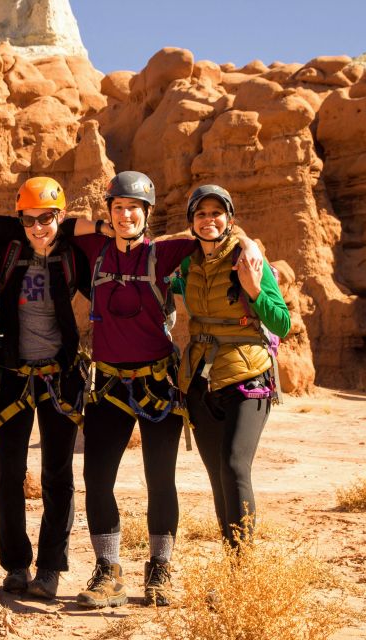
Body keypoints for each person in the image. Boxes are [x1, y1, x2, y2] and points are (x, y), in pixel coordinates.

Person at [69, 171, 263, 609]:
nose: (126, 215)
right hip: (108, 383)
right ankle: (108, 570)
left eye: (134, 208)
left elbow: (217, 229)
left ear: (148, 214)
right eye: (118, 208)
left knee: (161, 479)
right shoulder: (95, 248)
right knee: (97, 478)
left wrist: (250, 244)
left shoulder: (166, 251)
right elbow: (64, 225)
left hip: (158, 382)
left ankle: (160, 570)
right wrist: (102, 226)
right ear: (110, 211)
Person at [0, 177, 94, 600]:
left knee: (57, 474)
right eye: (29, 219)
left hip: (61, 376)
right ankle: (15, 565)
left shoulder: (72, 257)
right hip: (13, 374)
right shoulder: (9, 249)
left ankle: (50, 567)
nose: (37, 227)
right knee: (8, 475)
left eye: (47, 218)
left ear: (60, 217)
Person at [173, 184, 290, 550]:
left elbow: (282, 323)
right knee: (217, 475)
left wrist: (254, 289)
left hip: (247, 376)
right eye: (201, 214)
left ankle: (243, 570)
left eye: (216, 213)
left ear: (230, 218)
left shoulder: (247, 259)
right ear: (192, 221)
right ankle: (232, 564)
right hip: (200, 381)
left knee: (235, 467)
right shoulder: (187, 263)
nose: (209, 220)